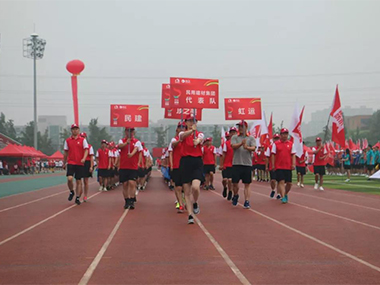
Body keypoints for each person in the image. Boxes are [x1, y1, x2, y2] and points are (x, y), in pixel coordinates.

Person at [179, 114, 204, 224]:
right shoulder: (182, 133)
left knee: (195, 187)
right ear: (185, 122)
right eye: (189, 121)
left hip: (196, 162)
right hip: (185, 162)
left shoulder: (200, 134)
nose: (191, 122)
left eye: (193, 121)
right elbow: (182, 137)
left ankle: (195, 202)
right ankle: (190, 214)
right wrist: (190, 131)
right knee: (187, 190)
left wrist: (197, 141)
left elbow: (200, 139)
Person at [231, 120, 256, 209]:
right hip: (236, 163)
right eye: (239, 127)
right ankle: (236, 195)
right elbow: (233, 146)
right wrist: (241, 143)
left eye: (242, 126)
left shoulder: (251, 138)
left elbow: (253, 148)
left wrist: (247, 147)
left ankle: (247, 201)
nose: (240, 128)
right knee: (235, 183)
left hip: (247, 164)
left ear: (246, 128)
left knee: (247, 184)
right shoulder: (235, 137)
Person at [63, 124, 89, 205]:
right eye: (73, 129)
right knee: (70, 178)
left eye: (76, 129)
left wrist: (84, 158)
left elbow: (86, 150)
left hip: (79, 163)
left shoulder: (82, 140)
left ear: (79, 130)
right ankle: (71, 191)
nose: (75, 130)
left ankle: (77, 197)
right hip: (71, 162)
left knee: (78, 181)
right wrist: (64, 162)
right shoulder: (67, 141)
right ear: (71, 130)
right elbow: (65, 152)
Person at [118, 127, 143, 210]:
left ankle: (132, 200)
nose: (130, 133)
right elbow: (119, 146)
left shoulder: (137, 142)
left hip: (133, 166)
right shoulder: (122, 140)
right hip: (123, 166)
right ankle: (126, 200)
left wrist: (137, 160)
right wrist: (126, 143)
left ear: (134, 132)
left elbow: (138, 151)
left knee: (132, 183)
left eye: (132, 131)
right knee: (125, 184)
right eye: (128, 131)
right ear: (125, 132)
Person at [271, 128, 296, 204]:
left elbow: (293, 155)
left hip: (288, 166)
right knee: (281, 181)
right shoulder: (276, 144)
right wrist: (273, 165)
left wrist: (293, 164)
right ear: (280, 135)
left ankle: (285, 194)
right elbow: (273, 155)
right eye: (283, 134)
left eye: (286, 134)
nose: (285, 135)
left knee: (289, 183)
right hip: (279, 166)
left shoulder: (291, 144)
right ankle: (283, 196)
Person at [168, 121, 186, 213]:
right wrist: (171, 164)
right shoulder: (174, 140)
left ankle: (185, 200)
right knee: (178, 186)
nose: (182, 129)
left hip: (186, 166)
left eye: (184, 127)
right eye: (180, 127)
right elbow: (171, 152)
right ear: (177, 129)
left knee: (185, 186)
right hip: (176, 166)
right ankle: (180, 203)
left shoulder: (189, 139)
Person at [220, 128, 237, 200]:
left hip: (234, 164)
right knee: (225, 180)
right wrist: (221, 164)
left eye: (234, 132)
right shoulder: (226, 143)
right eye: (231, 132)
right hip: (226, 164)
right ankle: (225, 188)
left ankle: (230, 191)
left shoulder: (238, 143)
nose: (232, 134)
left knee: (230, 180)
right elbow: (223, 154)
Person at [265, 133, 281, 198]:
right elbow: (267, 157)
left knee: (280, 181)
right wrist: (266, 166)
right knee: (273, 180)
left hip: (280, 166)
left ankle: (278, 194)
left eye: (278, 138)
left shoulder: (281, 146)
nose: (276, 140)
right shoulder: (270, 147)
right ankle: (273, 189)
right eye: (275, 139)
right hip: (272, 166)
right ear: (273, 139)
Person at [80, 132, 94, 202]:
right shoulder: (78, 146)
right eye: (81, 137)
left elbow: (91, 157)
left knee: (86, 181)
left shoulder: (89, 146)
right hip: (79, 163)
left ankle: (85, 195)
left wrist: (91, 166)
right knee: (78, 180)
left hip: (87, 163)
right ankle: (79, 192)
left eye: (83, 137)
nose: (82, 138)